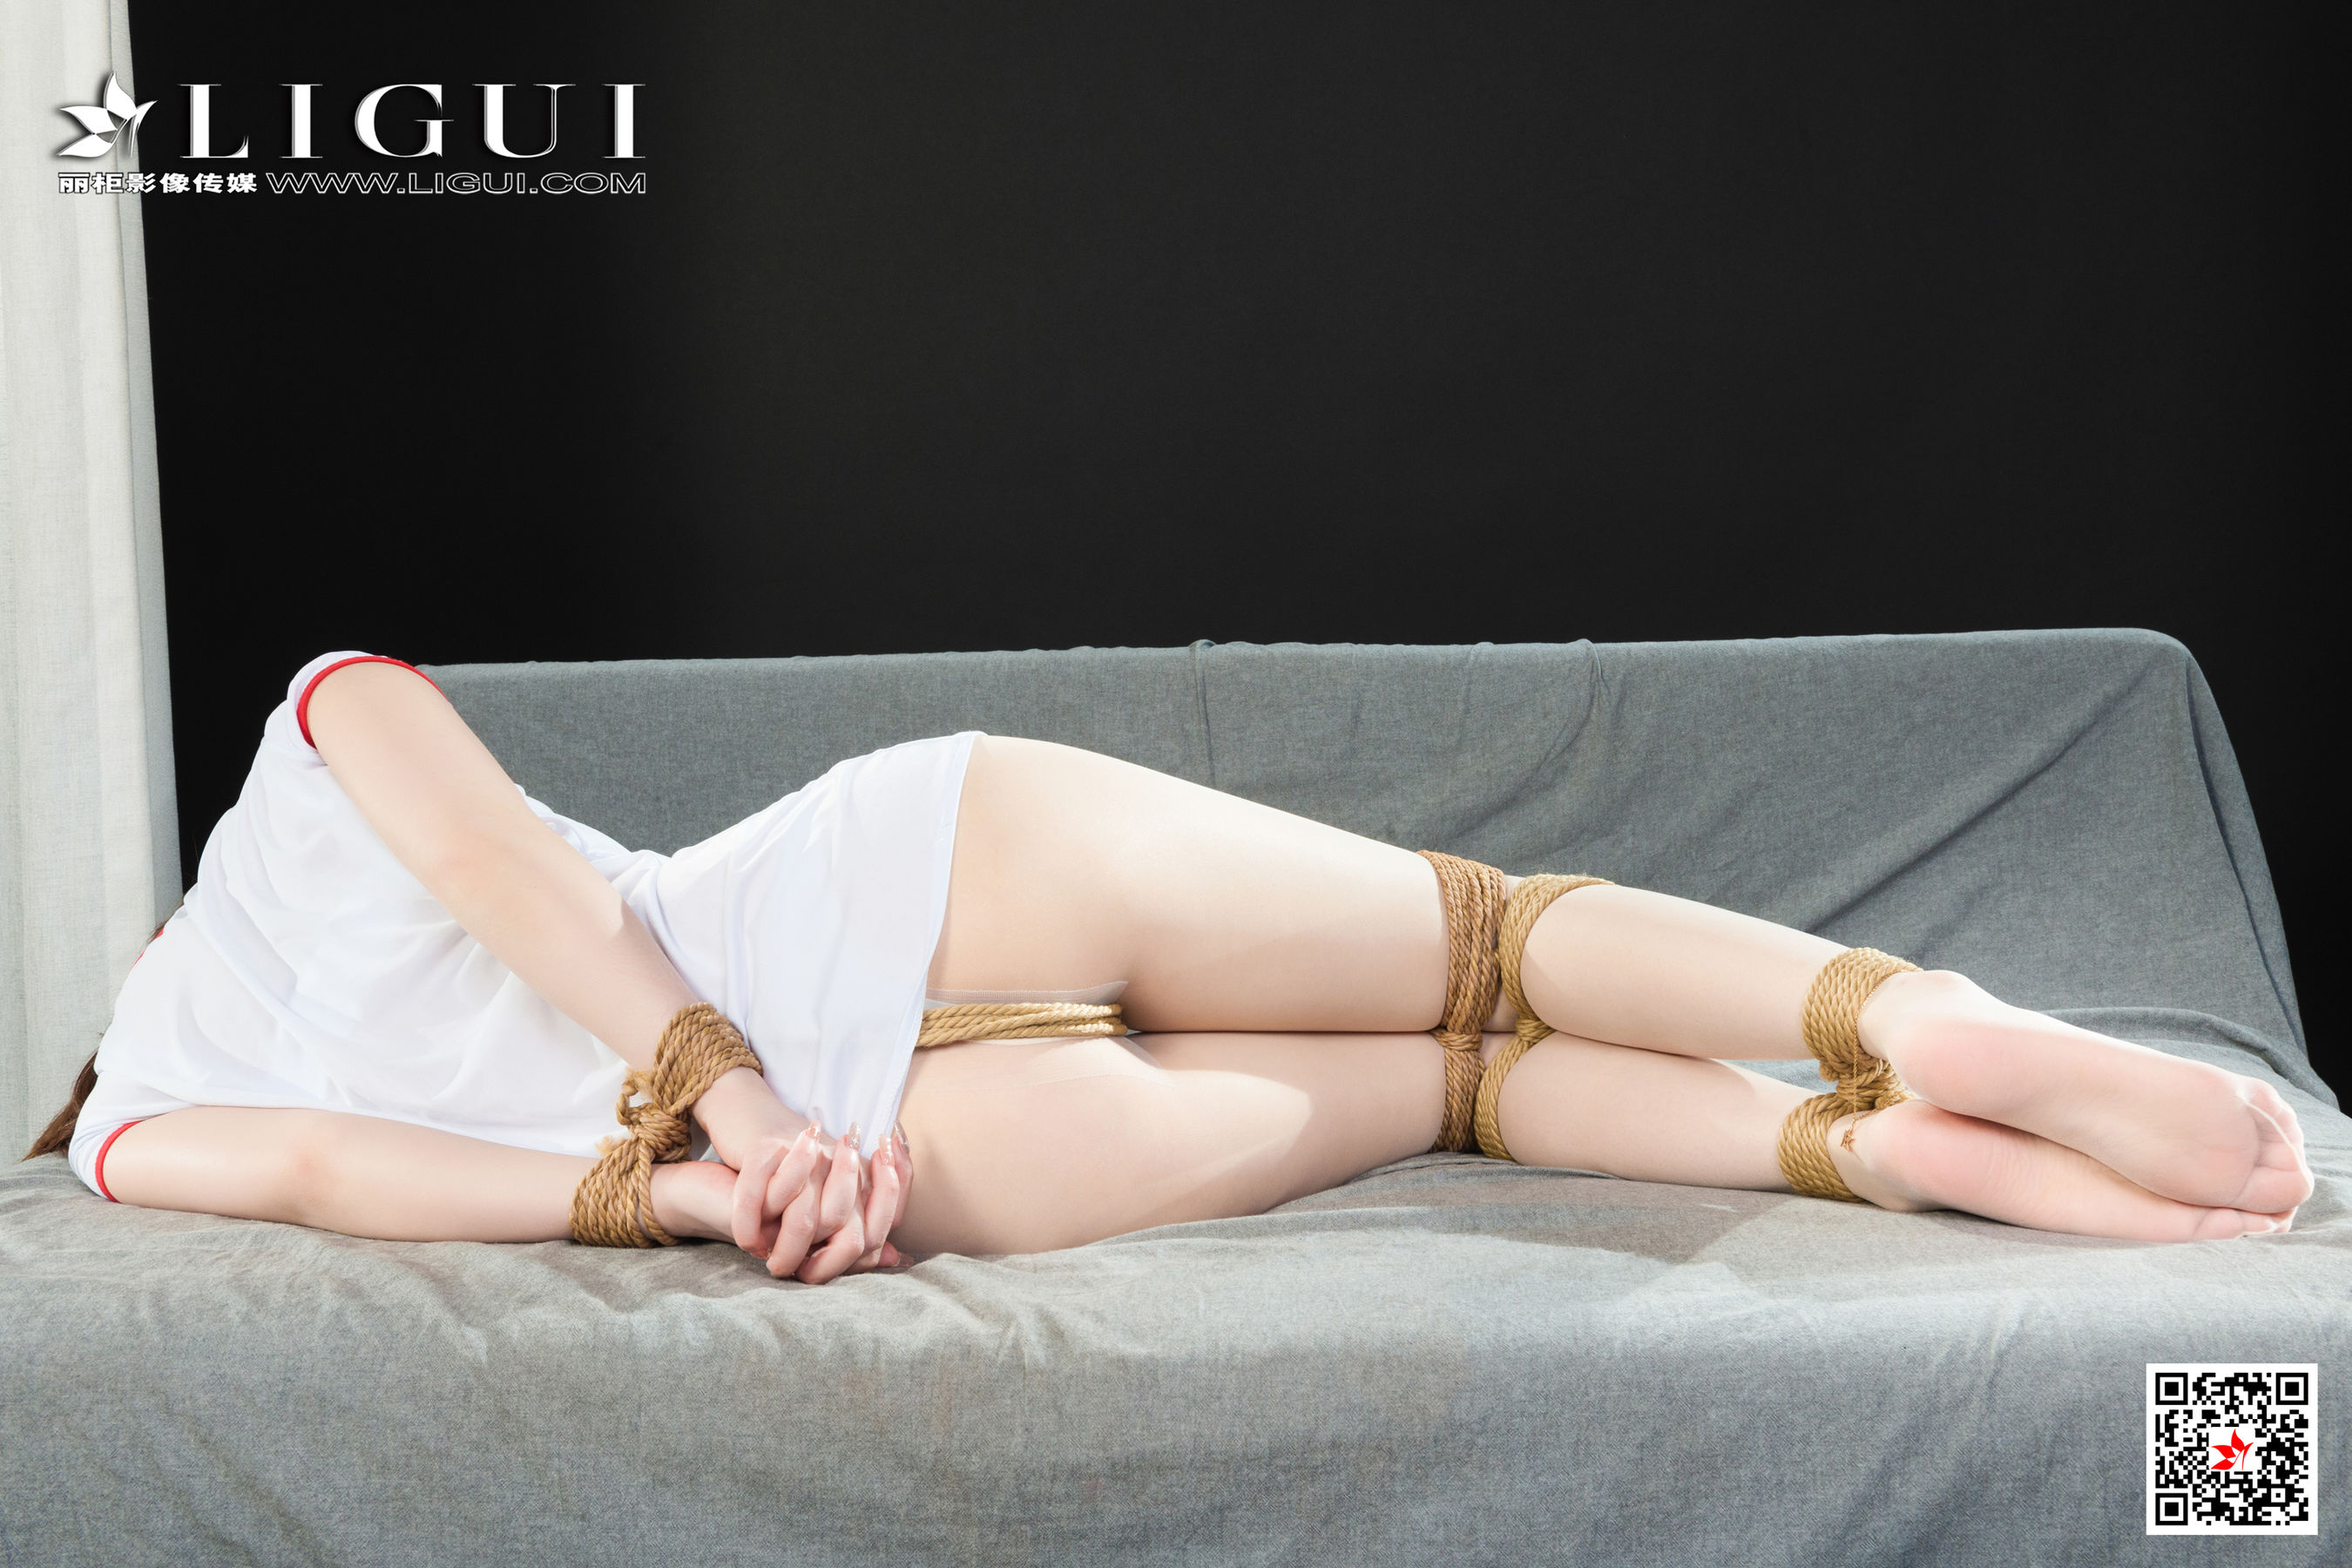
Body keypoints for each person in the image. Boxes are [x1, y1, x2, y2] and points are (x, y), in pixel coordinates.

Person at [26, 653, 2313, 1284]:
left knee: (1463, 1084)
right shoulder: (314, 725)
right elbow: (511, 876)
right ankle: (1927, 1027)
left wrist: (706, 1197)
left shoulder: (126, 1132)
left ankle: (1887, 1157)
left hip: (909, 1156)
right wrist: (730, 1093)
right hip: (911, 880)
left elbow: (333, 1174)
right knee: (1494, 944)